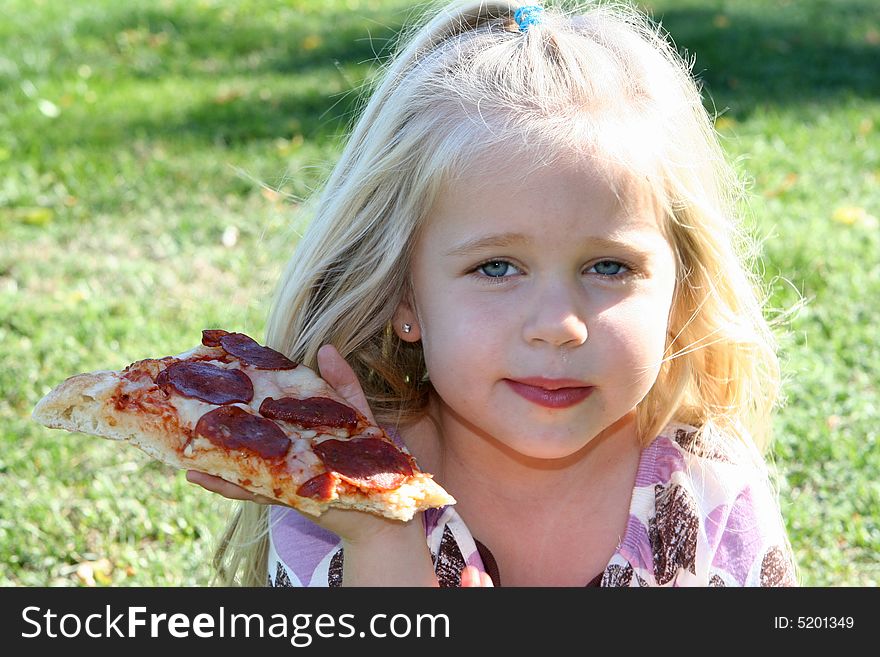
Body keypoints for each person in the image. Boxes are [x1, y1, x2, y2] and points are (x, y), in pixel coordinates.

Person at [187, 0, 798, 587]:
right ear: (406, 298)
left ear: (679, 289)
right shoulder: (336, 484)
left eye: (608, 266)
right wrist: (380, 536)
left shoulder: (710, 490)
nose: (559, 325)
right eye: (498, 268)